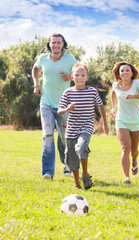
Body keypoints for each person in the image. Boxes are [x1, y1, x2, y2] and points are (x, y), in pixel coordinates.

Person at [32, 33, 77, 180]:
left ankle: (67, 165)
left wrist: (71, 76)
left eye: (59, 42)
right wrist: (36, 84)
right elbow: (35, 69)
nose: (56, 45)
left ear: (63, 44)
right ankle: (48, 172)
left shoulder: (70, 59)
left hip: (64, 105)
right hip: (46, 103)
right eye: (54, 42)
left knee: (65, 138)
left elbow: (80, 73)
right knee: (47, 136)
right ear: (49, 44)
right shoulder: (43, 58)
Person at [57, 63, 109, 189]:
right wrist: (67, 109)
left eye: (82, 75)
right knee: (71, 155)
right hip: (71, 127)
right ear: (72, 77)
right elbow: (59, 110)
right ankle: (77, 184)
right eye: (77, 75)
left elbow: (100, 106)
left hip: (87, 124)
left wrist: (105, 123)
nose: (79, 77)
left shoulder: (92, 91)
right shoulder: (68, 92)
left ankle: (85, 174)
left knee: (81, 147)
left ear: (87, 77)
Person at [110, 61, 139, 184]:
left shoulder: (138, 84)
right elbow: (113, 94)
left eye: (127, 70)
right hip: (121, 120)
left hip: (135, 120)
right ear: (118, 73)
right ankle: (126, 177)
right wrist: (113, 107)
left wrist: (134, 96)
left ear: (132, 73)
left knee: (134, 151)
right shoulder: (115, 85)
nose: (124, 72)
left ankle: (134, 160)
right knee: (125, 148)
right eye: (122, 71)